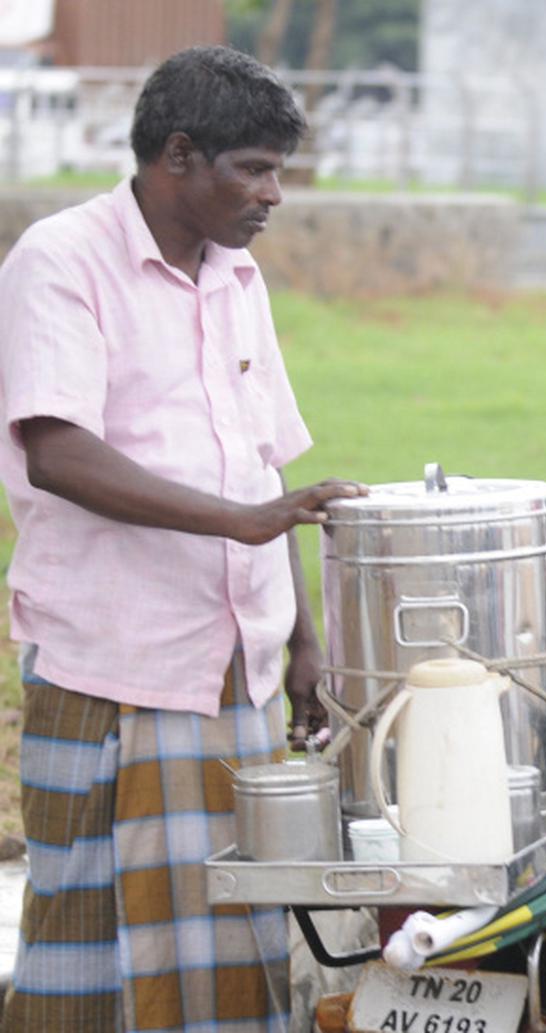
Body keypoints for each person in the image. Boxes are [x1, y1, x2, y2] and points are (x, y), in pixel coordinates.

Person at [0, 45, 367, 1033]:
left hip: (233, 671)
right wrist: (241, 523)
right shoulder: (61, 260)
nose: (274, 195)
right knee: (89, 946)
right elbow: (58, 452)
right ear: (177, 157)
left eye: (278, 170)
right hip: (115, 669)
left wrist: (299, 636)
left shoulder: (235, 277)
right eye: (253, 168)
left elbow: (261, 466)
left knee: (229, 946)